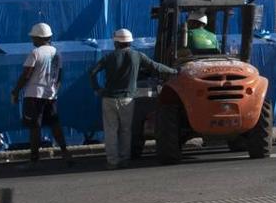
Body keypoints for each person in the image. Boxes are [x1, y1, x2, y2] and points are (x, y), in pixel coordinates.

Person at [87, 28, 176, 169]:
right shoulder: (137, 56)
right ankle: (124, 159)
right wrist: (174, 71)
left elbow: (92, 72)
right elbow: (156, 67)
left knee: (110, 130)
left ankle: (112, 161)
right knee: (126, 130)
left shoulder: (109, 57)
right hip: (127, 99)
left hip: (109, 98)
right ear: (130, 42)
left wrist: (97, 89)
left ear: (116, 42)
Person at [10, 22, 73, 167]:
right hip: (50, 95)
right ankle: (65, 153)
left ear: (39, 38)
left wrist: (16, 91)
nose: (32, 40)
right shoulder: (57, 53)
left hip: (34, 95)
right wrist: (54, 90)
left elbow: (26, 75)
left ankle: (34, 159)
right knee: (55, 124)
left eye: (33, 38)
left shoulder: (35, 53)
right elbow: (59, 77)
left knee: (34, 127)